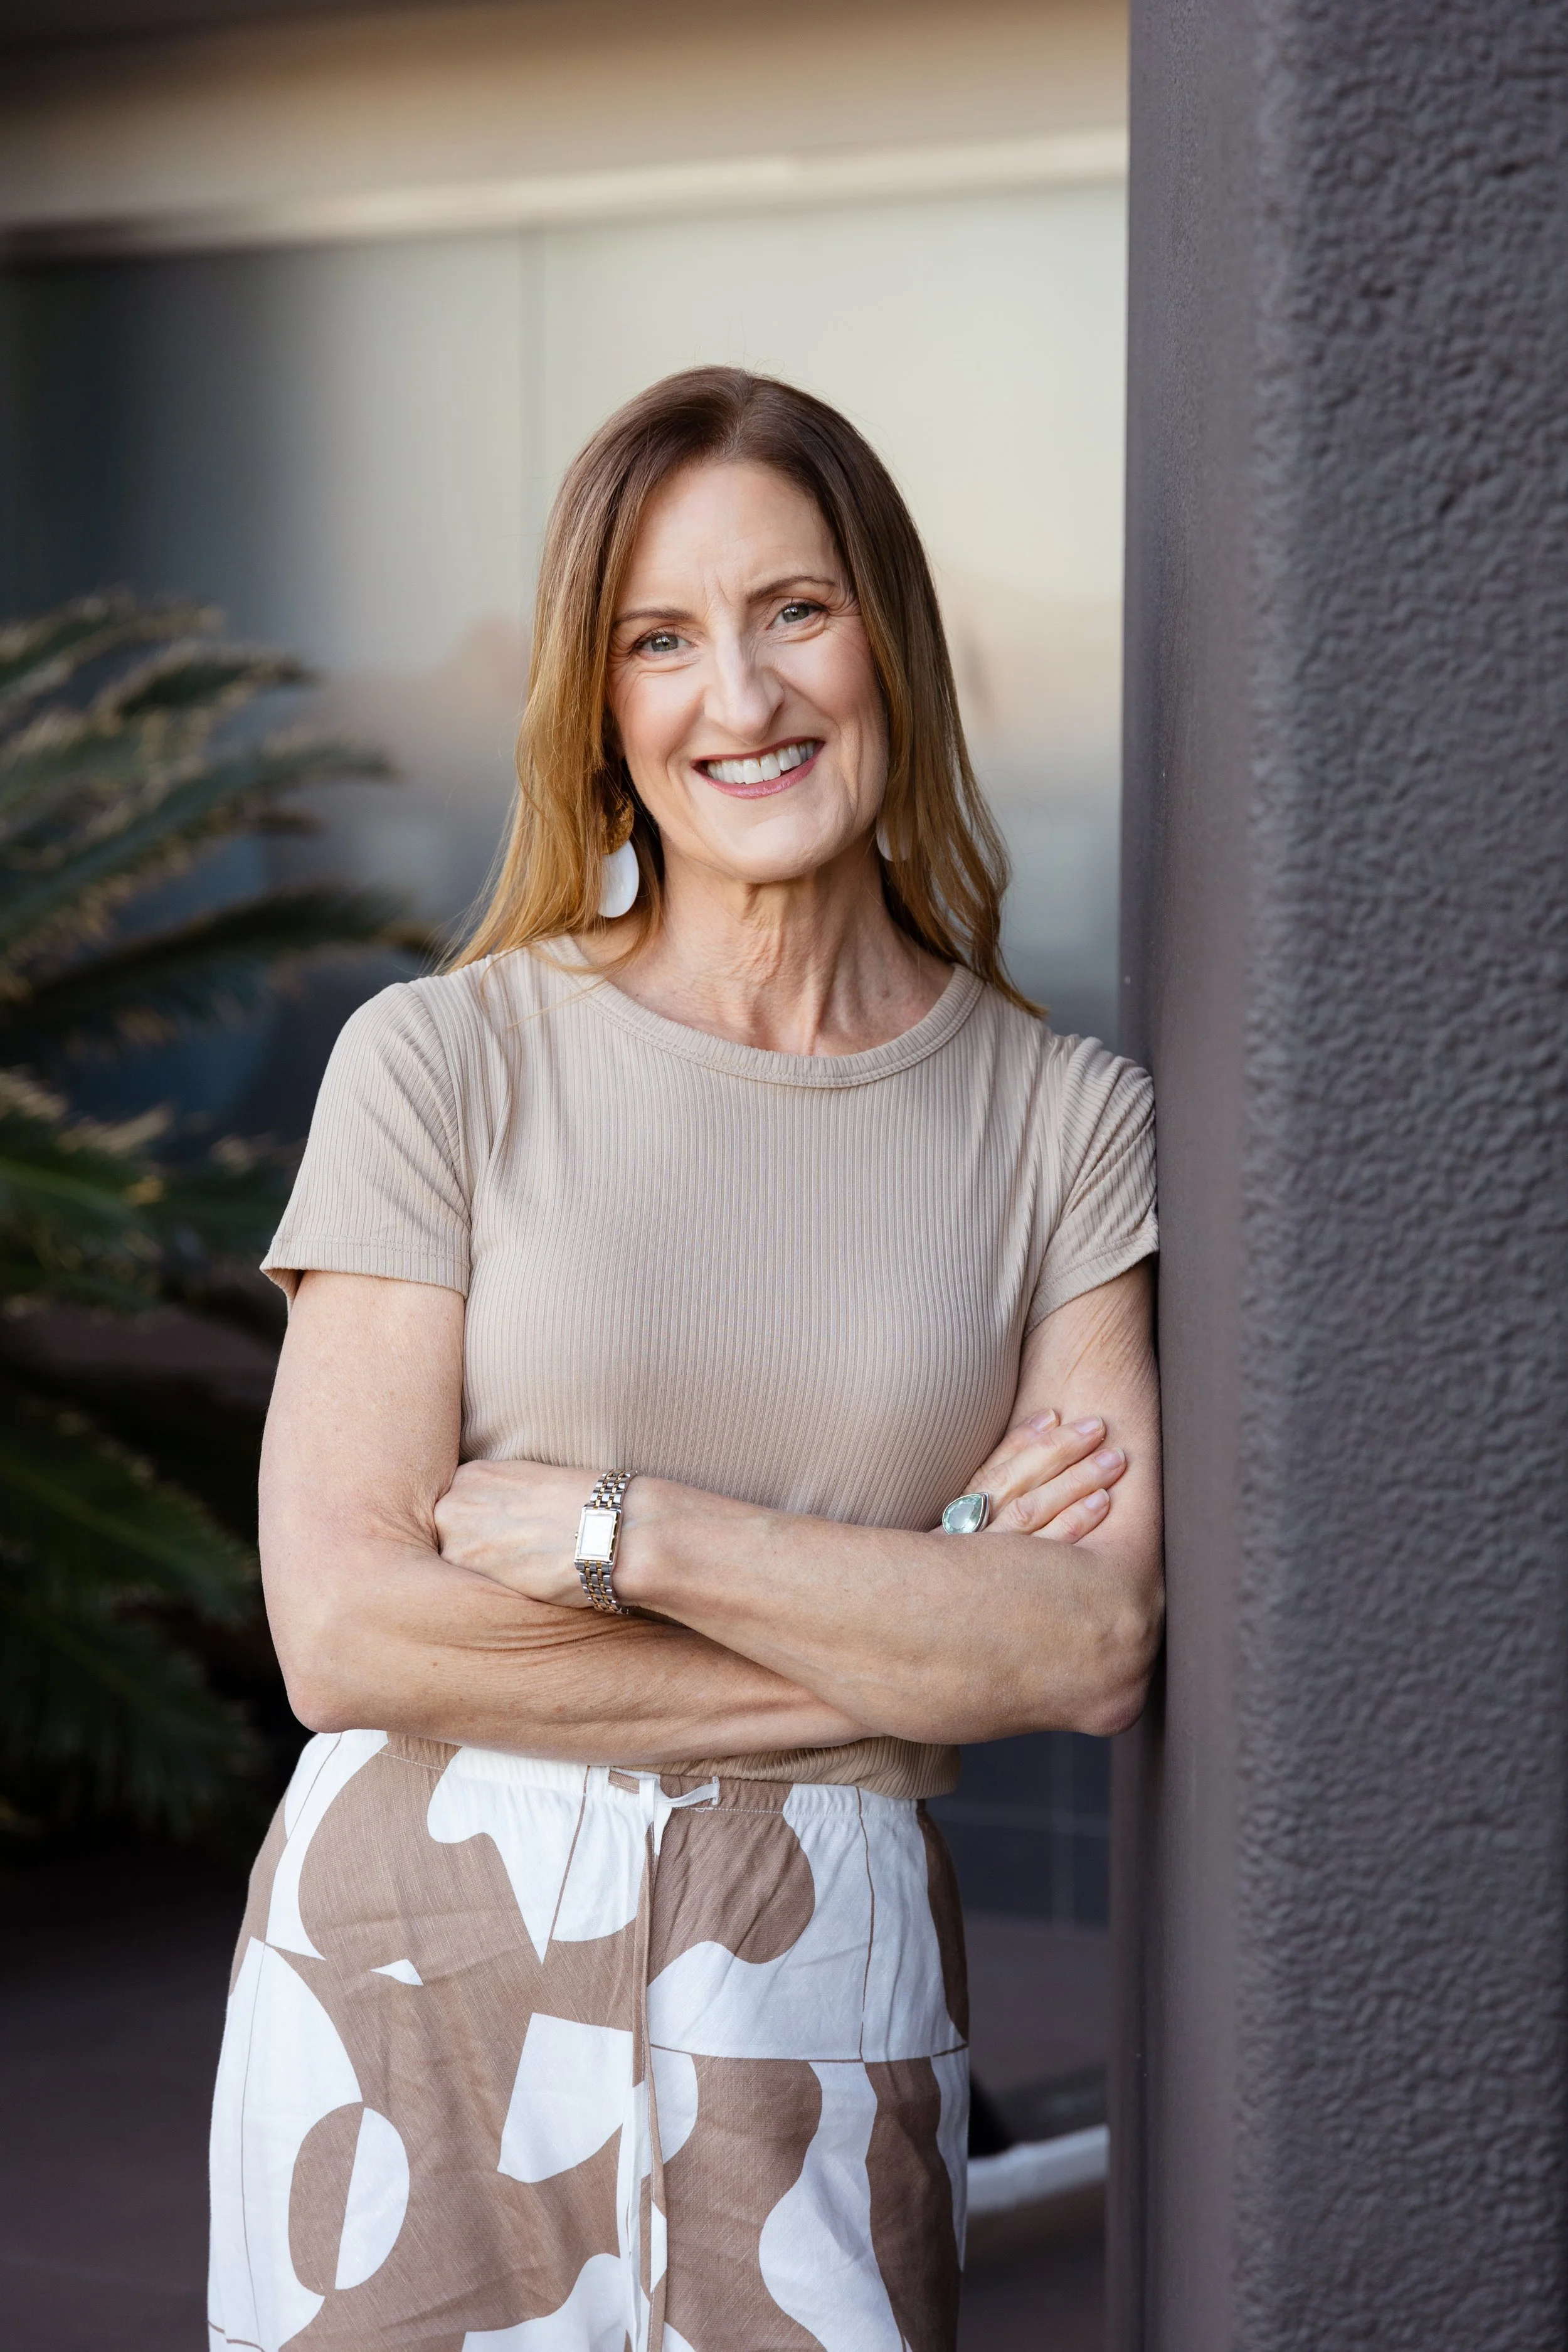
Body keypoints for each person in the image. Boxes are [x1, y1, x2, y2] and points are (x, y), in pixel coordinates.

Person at [207, 366, 1162, 2352]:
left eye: (794, 610)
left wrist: (619, 1530)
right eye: (662, 638)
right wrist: (883, 1665)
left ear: (887, 634)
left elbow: (1075, 1644)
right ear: (599, 705)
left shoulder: (1063, 1119)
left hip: (816, 1975)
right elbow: (347, 1635)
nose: (741, 697)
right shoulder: (445, 1057)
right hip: (413, 1954)